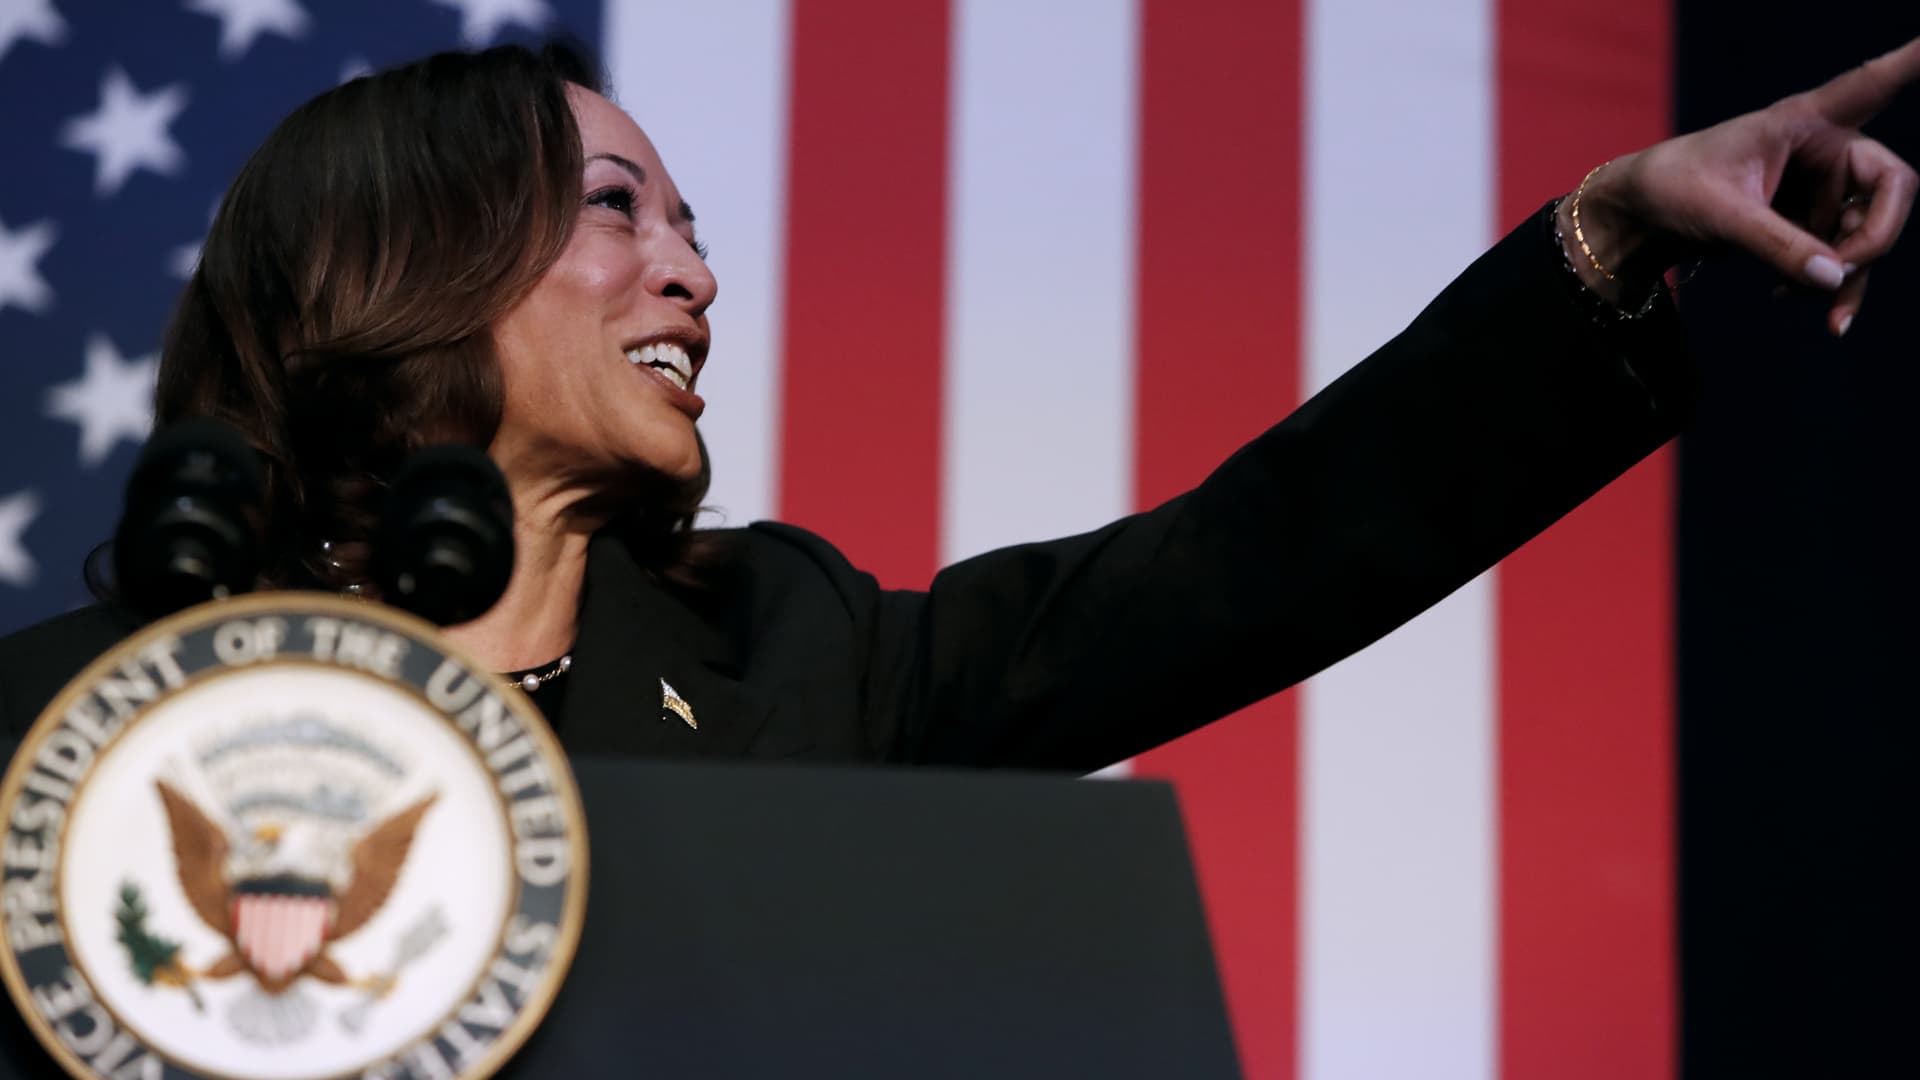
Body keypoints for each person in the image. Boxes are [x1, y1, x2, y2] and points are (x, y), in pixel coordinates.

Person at [1, 40, 1915, 770]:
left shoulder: (805, 657)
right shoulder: (70, 728)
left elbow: (1248, 562)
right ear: (404, 257)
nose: (695, 276)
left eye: (695, 226)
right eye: (617, 209)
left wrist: (1603, 236)